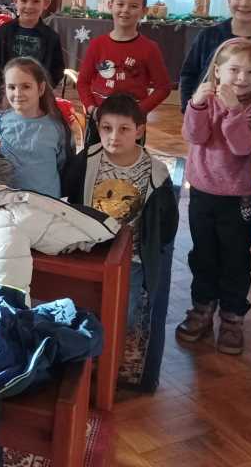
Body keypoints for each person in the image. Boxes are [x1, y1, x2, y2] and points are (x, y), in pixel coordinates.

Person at [64, 93, 178, 392]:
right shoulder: (86, 160)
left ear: (139, 130)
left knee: (123, 314)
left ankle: (107, 364)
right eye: (106, 128)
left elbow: (167, 222)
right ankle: (80, 363)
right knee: (80, 306)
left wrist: (150, 248)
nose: (114, 137)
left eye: (124, 129)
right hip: (88, 252)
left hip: (132, 259)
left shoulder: (155, 172)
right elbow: (67, 197)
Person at [177, 39, 251, 355]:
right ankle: (202, 307)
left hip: (239, 198)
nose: (242, 78)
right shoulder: (205, 102)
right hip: (203, 193)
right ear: (217, 71)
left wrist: (233, 110)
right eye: (235, 70)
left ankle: (232, 317)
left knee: (235, 259)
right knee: (203, 254)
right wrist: (196, 105)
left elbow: (242, 146)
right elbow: (194, 135)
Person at [76, 0, 170, 137]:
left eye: (133, 6)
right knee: (94, 153)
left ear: (144, 11)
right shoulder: (97, 45)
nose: (125, 10)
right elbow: (83, 82)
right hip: (100, 120)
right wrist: (92, 109)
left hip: (132, 123)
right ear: (110, 6)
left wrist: (139, 110)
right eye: (120, 4)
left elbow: (163, 87)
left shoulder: (150, 48)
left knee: (130, 154)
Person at [0, 57, 72, 198]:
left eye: (26, 87)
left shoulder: (57, 127)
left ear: (40, 89)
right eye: (12, 87)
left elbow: (64, 165)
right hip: (7, 202)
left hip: (46, 203)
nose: (18, 93)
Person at [0, 0, 64, 107]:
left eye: (36, 1)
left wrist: (41, 91)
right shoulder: (2, 33)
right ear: (15, 1)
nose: (29, 6)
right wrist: (2, 89)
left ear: (46, 3)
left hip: (38, 100)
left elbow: (57, 70)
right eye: (24, 0)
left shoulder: (52, 38)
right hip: (4, 98)